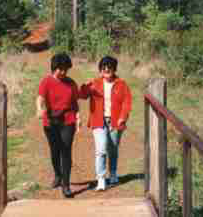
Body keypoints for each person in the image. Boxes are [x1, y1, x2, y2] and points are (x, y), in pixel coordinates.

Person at [79, 56, 132, 191]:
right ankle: (101, 179)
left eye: (109, 67)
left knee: (113, 149)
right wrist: (85, 86)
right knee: (101, 150)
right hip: (98, 120)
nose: (106, 69)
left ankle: (113, 173)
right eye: (103, 67)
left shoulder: (122, 84)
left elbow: (127, 102)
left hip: (115, 121)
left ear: (114, 69)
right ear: (100, 70)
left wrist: (123, 117)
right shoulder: (95, 83)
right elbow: (82, 95)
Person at [36, 53, 81, 198]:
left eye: (65, 69)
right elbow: (40, 98)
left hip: (68, 120)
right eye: (60, 69)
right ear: (54, 68)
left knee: (65, 150)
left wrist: (78, 117)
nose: (63, 72)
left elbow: (75, 103)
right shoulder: (46, 82)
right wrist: (39, 109)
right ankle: (58, 175)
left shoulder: (71, 83)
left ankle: (66, 185)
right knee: (54, 150)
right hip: (50, 121)